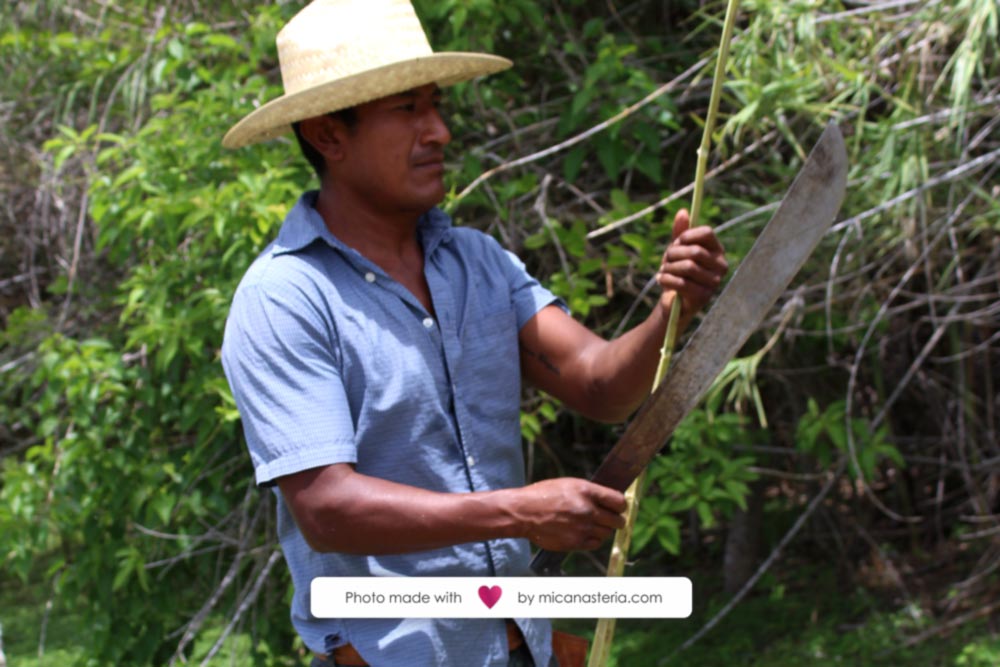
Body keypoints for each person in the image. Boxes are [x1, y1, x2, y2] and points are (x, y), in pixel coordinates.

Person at [220, 1, 728, 666]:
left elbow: (600, 385)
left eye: (435, 105)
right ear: (327, 134)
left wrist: (670, 310)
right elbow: (328, 506)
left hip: (525, 648)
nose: (438, 131)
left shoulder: (478, 263)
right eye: (407, 110)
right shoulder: (285, 299)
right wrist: (519, 511)